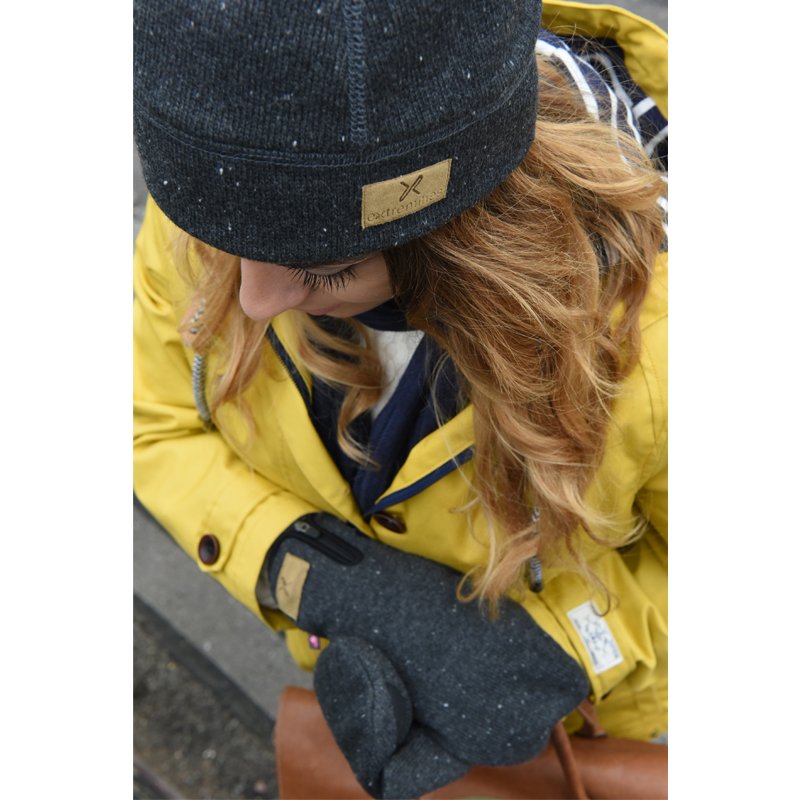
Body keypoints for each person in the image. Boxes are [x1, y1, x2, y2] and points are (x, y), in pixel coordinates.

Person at [134, 1, 667, 797]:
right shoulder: (234, 185)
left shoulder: (663, 344)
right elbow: (151, 420)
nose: (251, 299)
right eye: (226, 240)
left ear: (463, 232)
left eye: (321, 265)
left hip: (567, 736)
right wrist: (313, 573)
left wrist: (575, 644)